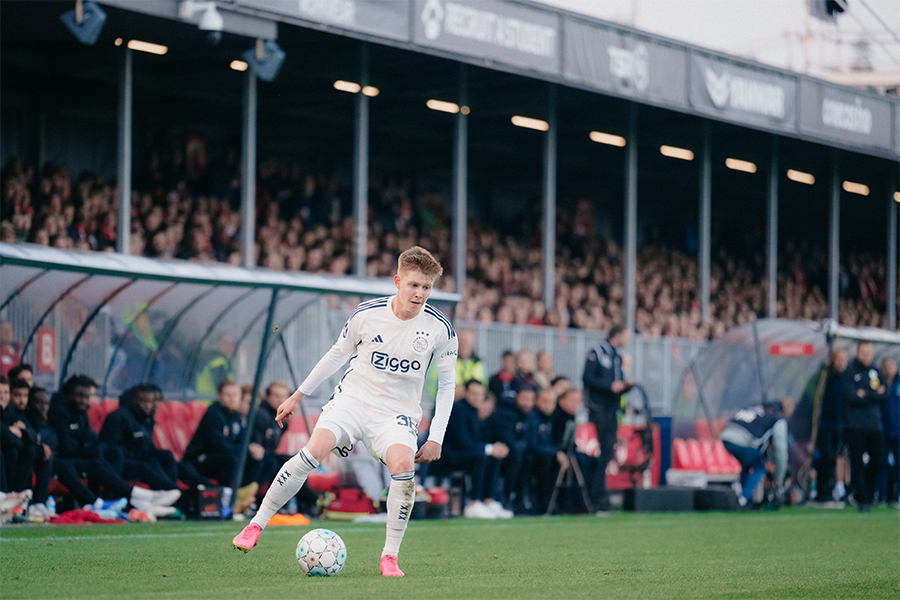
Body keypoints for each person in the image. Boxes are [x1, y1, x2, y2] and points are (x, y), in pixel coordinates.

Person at [232, 246, 459, 578]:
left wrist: (436, 437)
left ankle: (390, 557)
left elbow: (447, 385)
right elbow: (336, 355)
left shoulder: (440, 329)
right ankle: (256, 524)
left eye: (426, 287)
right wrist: (297, 396)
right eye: (414, 285)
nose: (420, 293)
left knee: (404, 467)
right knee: (313, 451)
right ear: (398, 281)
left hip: (396, 415)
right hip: (353, 401)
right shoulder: (367, 314)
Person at [48, 374, 180, 517]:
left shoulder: (81, 412)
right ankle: (143, 498)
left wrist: (90, 446)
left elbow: (90, 438)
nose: (84, 401)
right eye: (80, 396)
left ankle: (154, 498)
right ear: (68, 396)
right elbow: (66, 446)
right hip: (61, 459)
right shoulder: (60, 412)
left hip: (97, 457)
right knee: (101, 455)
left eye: (87, 397)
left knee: (112, 454)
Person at [183, 379, 259, 512]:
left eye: (235, 395)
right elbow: (218, 445)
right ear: (220, 397)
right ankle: (228, 498)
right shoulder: (213, 414)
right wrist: (246, 449)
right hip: (201, 459)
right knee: (230, 458)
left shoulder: (236, 416)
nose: (232, 399)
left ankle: (241, 494)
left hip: (224, 457)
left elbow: (241, 442)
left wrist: (251, 449)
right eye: (228, 395)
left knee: (257, 460)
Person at [582, 323, 633, 514]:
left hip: (612, 410)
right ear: (617, 335)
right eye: (626, 336)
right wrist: (610, 386)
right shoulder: (597, 352)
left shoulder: (616, 357)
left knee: (607, 454)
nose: (627, 341)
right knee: (603, 453)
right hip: (599, 408)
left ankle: (601, 496)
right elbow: (587, 378)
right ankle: (595, 498)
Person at [442, 379, 511, 519]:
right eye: (473, 393)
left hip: (465, 452)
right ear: (465, 393)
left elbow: (475, 440)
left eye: (480, 394)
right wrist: (489, 448)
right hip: (451, 455)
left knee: (493, 456)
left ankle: (489, 500)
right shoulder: (458, 409)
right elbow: (461, 442)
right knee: (482, 457)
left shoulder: (473, 411)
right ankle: (473, 503)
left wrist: (492, 448)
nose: (477, 397)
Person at [252, 380, 318, 514]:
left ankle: (305, 502)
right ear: (268, 397)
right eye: (276, 395)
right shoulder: (262, 414)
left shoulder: (280, 417)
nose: (280, 399)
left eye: (283, 396)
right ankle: (306, 501)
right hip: (256, 459)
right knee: (279, 464)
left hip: (269, 456)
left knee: (294, 462)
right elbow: (257, 445)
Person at [100, 384, 181, 492]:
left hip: (139, 457)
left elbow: (149, 446)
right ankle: (174, 493)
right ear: (135, 400)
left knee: (165, 456)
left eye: (154, 401)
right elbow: (111, 448)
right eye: (145, 401)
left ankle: (170, 492)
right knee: (148, 465)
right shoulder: (118, 416)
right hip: (124, 462)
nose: (150, 405)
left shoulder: (145, 418)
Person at [721, 398, 795, 507]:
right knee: (760, 466)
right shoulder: (778, 420)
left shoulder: (760, 407)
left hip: (726, 435)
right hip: (741, 439)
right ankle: (743, 499)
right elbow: (781, 452)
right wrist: (779, 477)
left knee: (750, 462)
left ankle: (738, 487)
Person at [842, 342, 888, 512]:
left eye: (870, 352)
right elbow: (851, 396)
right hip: (854, 426)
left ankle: (868, 493)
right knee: (857, 463)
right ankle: (861, 497)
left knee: (876, 461)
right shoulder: (850, 371)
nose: (867, 355)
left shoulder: (876, 371)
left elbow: (886, 395)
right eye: (864, 352)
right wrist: (874, 394)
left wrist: (865, 393)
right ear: (858, 352)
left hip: (875, 426)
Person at [813, 349, 848, 506]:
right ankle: (822, 492)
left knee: (836, 458)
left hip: (840, 424)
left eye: (843, 359)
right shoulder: (826, 376)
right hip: (826, 424)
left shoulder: (846, 378)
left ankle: (834, 490)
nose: (841, 362)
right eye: (838, 359)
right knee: (826, 457)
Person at [527, 388, 569, 514]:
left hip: (550, 456)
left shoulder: (554, 419)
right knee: (546, 461)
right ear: (537, 401)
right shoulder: (532, 418)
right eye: (545, 401)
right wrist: (555, 453)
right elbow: (532, 445)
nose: (548, 405)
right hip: (533, 458)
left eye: (551, 402)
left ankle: (558, 503)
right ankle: (542, 504)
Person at [877, 358, 898, 506]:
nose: (888, 369)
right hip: (881, 431)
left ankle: (897, 497)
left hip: (898, 431)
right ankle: (882, 496)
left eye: (891, 366)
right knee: (881, 465)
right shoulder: (876, 383)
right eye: (885, 366)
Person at [454, 330, 488, 399]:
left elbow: (481, 387)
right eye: (462, 342)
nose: (464, 346)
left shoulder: (478, 363)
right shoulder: (449, 361)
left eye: (467, 343)